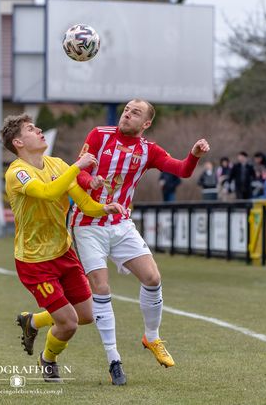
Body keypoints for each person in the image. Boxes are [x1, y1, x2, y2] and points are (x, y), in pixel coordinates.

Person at [68, 99, 209, 385]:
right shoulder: (99, 135)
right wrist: (88, 182)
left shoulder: (149, 150)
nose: (127, 114)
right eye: (126, 109)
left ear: (146, 124)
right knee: (102, 287)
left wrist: (193, 154)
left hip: (121, 224)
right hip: (87, 224)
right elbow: (79, 169)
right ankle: (114, 360)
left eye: (135, 112)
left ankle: (152, 337)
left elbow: (182, 170)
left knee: (152, 277)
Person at [1, 114, 125, 383]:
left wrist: (103, 208)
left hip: (64, 252)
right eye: (32, 129)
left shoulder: (57, 164)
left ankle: (32, 322)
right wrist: (77, 166)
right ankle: (48, 359)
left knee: (86, 316)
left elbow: (83, 203)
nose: (40, 130)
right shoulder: (17, 173)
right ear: (19, 142)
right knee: (68, 322)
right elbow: (47, 192)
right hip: (35, 262)